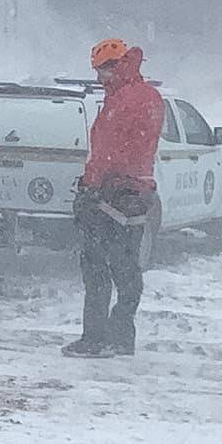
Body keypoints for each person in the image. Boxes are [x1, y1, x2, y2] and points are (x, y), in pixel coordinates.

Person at [64, 39, 164, 358]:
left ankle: (95, 338)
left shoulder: (123, 102)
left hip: (111, 193)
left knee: (96, 265)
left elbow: (108, 152)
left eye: (100, 72)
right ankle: (121, 335)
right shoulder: (148, 96)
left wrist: (89, 187)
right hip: (138, 192)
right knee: (127, 267)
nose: (98, 79)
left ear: (114, 67)